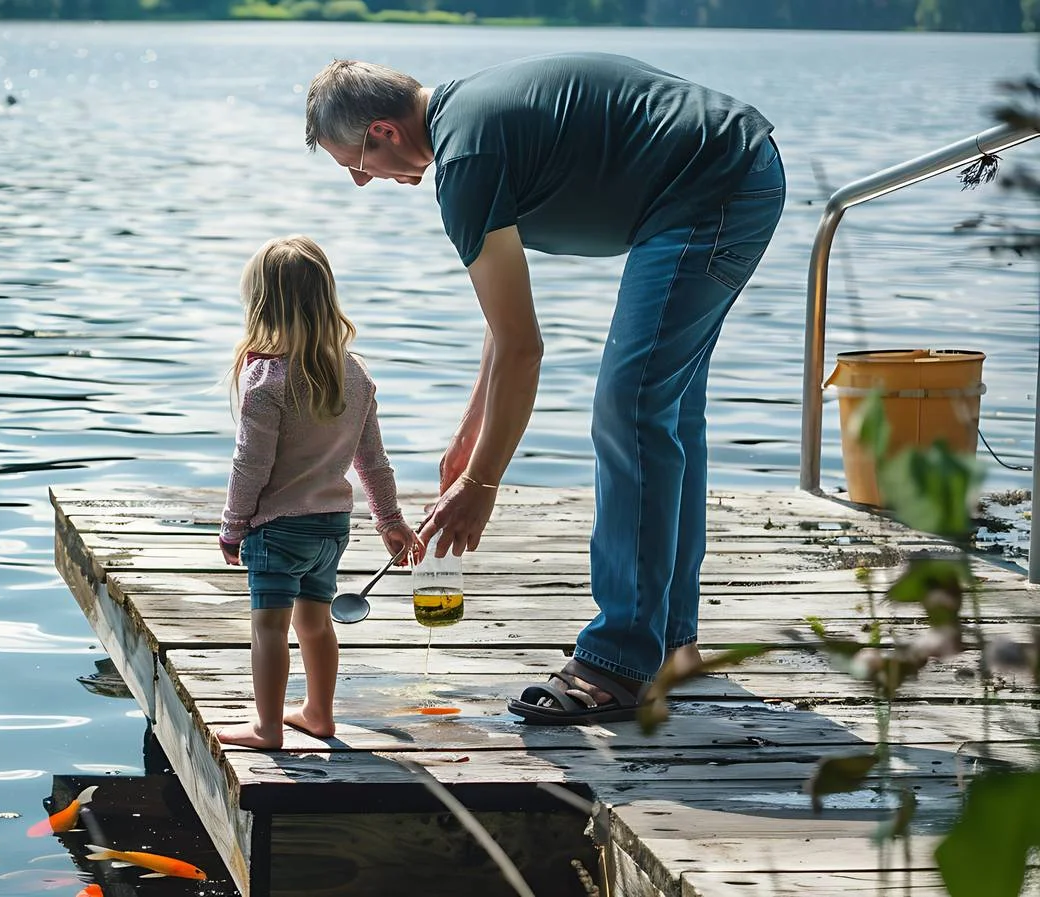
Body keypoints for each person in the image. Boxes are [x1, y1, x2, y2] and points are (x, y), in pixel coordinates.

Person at [304, 53, 785, 724]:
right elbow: (505, 328)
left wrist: (481, 484)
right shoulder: (468, 128)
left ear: (383, 131)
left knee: (633, 408)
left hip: (711, 189)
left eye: (354, 162)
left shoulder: (466, 161)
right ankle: (671, 645)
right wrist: (473, 433)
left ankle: (618, 658)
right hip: (732, 174)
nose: (361, 181)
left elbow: (527, 348)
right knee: (665, 410)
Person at [217, 235, 422, 749]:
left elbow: (250, 466)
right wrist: (390, 520)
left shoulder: (265, 379)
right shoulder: (353, 373)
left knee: (269, 627)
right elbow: (371, 460)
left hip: (276, 530)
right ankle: (318, 713)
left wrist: (232, 526)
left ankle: (266, 728)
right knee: (315, 624)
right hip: (331, 529)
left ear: (262, 306)